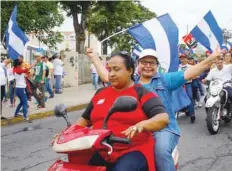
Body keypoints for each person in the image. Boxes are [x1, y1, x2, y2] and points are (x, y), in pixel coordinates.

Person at [86, 47, 221, 171]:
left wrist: (212, 58)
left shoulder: (165, 80)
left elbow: (190, 72)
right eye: (144, 62)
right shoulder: (130, 81)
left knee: (160, 152)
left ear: (157, 65)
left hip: (162, 128)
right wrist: (94, 57)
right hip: (135, 131)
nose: (148, 66)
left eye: (152, 62)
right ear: (137, 65)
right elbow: (107, 75)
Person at [77, 51, 169, 171]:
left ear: (130, 71)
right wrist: (67, 134)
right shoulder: (100, 93)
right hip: (103, 149)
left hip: (133, 149)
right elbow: (84, 120)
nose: (112, 74)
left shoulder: (141, 93)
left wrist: (141, 125)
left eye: (116, 69)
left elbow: (163, 118)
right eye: (109, 70)